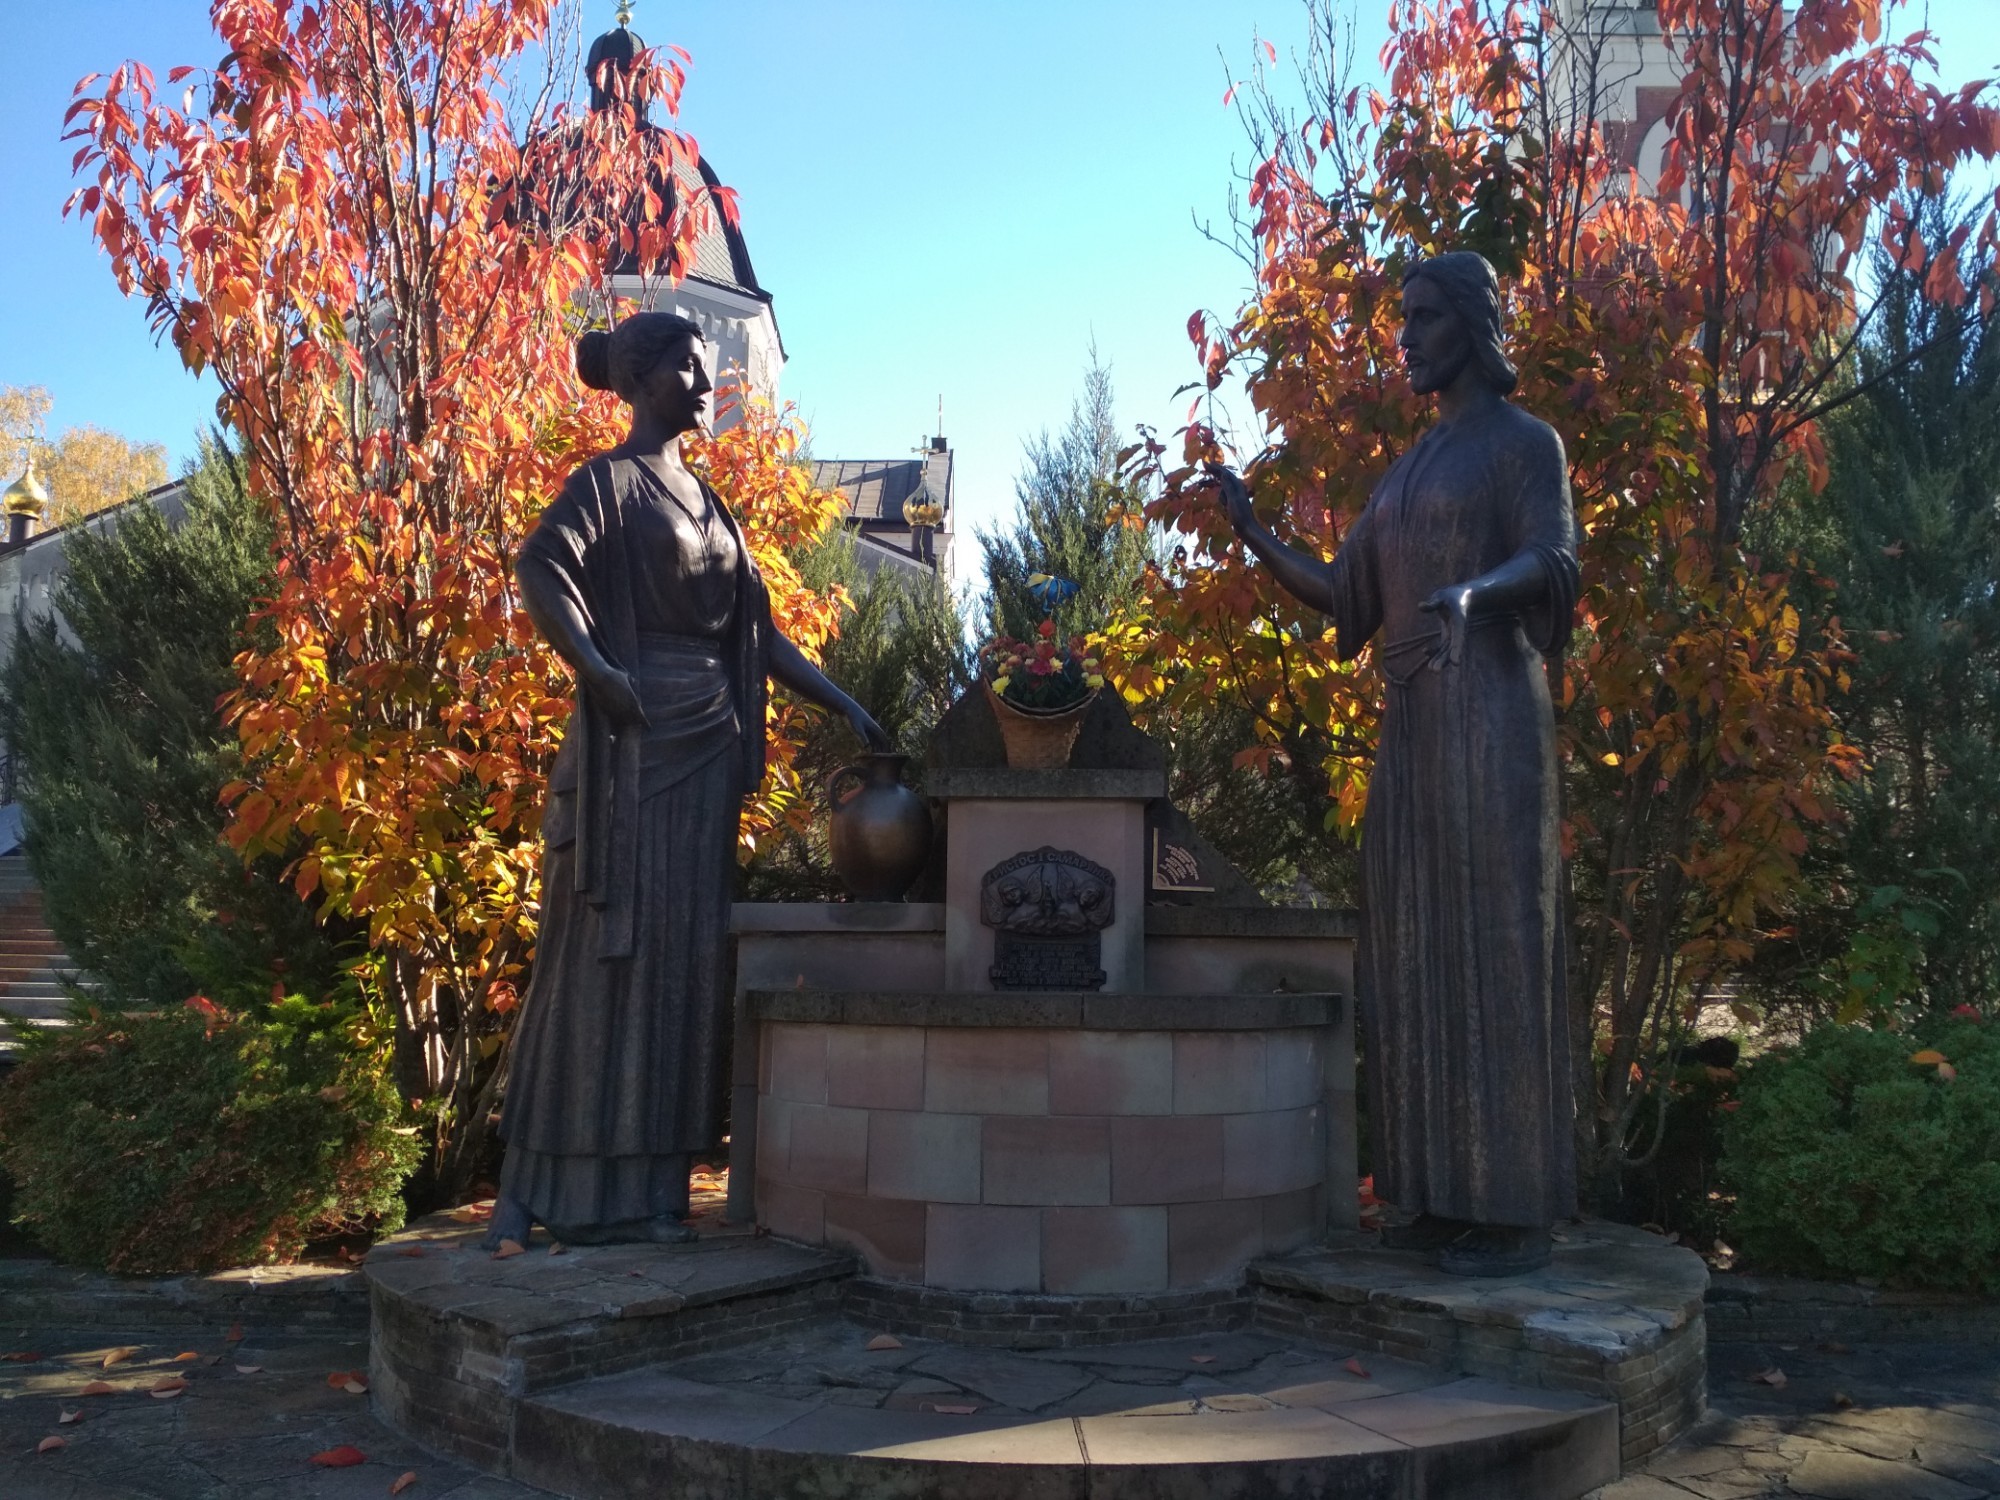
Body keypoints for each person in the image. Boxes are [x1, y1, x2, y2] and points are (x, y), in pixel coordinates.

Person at [1209, 251, 1579, 1275]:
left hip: (1492, 709)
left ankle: (1508, 1205)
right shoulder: (1406, 472)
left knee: (1493, 939)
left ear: (1468, 324)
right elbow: (1344, 597)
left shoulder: (1521, 445)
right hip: (1413, 720)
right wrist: (1249, 532)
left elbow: (1552, 560)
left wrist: (1475, 595)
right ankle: (1431, 1194)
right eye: (1400, 320)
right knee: (1414, 943)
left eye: (1420, 317)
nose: (1404, 337)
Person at [485, 312, 887, 1250]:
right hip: (632, 752)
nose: (708, 386)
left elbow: (757, 634)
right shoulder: (607, 485)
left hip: (706, 750)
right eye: (689, 368)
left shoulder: (712, 503)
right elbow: (541, 568)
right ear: (643, 378)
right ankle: (547, 1184)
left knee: (682, 966)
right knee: (599, 964)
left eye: (708, 369)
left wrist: (838, 703)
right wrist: (595, 667)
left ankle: (658, 1186)